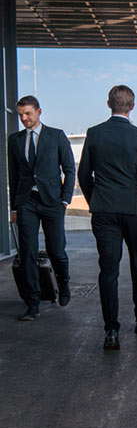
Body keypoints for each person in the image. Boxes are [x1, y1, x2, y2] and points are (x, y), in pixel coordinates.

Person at [78, 85, 137, 350]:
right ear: (132, 107)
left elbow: (83, 176)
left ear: (108, 104)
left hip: (104, 211)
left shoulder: (94, 134)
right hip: (134, 210)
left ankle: (111, 331)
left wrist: (96, 201)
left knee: (108, 270)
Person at [7, 95, 76, 321]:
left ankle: (63, 284)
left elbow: (69, 169)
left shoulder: (56, 136)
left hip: (52, 202)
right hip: (26, 201)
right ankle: (32, 302)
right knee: (27, 252)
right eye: (21, 115)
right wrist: (14, 207)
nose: (24, 118)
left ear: (39, 111)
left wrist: (65, 199)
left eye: (27, 113)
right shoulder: (15, 140)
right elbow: (14, 175)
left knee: (56, 250)